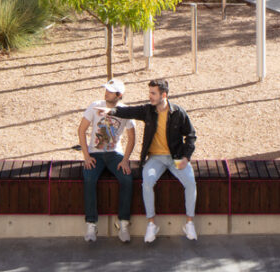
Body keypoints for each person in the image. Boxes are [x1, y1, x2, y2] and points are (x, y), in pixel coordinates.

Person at [106, 78, 198, 243]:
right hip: (155, 158)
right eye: (150, 92)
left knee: (190, 182)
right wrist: (111, 112)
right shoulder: (148, 110)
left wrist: (185, 157)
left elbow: (191, 136)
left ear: (164, 95)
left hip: (176, 158)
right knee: (147, 181)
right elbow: (130, 111)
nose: (150, 96)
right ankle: (151, 224)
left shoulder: (178, 112)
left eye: (153, 93)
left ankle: (189, 223)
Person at [79, 79, 136, 243]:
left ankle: (124, 224)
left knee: (126, 178)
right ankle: (91, 224)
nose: (106, 93)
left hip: (114, 154)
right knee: (89, 178)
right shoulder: (94, 105)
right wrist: (86, 156)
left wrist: (125, 160)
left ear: (119, 95)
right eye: (106, 90)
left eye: (110, 91)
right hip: (95, 154)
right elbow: (81, 130)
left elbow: (132, 137)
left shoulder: (125, 112)